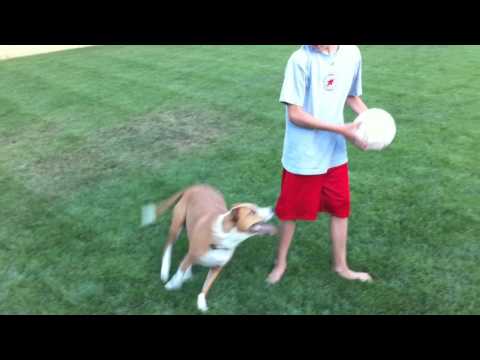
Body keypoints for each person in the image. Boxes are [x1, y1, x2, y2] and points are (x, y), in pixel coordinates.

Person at [267, 45, 372, 284]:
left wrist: (371, 123)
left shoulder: (351, 53)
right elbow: (295, 114)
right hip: (303, 153)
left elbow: (351, 96)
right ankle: (280, 262)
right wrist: (342, 130)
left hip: (334, 152)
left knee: (340, 207)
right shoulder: (300, 60)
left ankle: (341, 267)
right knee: (289, 211)